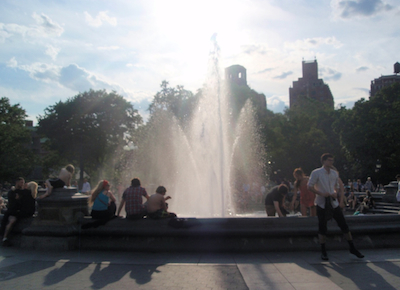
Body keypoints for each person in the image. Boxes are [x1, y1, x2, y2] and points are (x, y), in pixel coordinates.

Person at [308, 153, 364, 261]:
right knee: (322, 227)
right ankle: (323, 250)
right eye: (329, 160)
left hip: (333, 203)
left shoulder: (334, 173)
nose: (331, 162)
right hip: (321, 203)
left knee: (344, 225)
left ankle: (352, 247)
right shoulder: (316, 172)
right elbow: (309, 186)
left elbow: (337, 186)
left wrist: (335, 192)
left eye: (332, 161)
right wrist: (320, 193)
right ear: (323, 161)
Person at [1, 178, 37, 247]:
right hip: (22, 212)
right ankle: (4, 237)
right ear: (17, 182)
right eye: (21, 183)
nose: (23, 184)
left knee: (9, 217)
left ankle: (4, 237)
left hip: (19, 212)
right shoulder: (30, 193)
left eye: (24, 183)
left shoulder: (23, 192)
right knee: (11, 220)